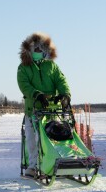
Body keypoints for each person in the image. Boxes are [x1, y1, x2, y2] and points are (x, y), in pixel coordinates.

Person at [16, 32, 71, 178]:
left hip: (52, 109)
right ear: (30, 50)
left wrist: (65, 94)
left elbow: (61, 80)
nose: (39, 53)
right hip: (33, 109)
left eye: (41, 50)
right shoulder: (23, 67)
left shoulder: (51, 66)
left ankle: (56, 162)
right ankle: (33, 166)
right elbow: (24, 85)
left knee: (55, 137)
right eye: (36, 50)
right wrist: (37, 94)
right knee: (33, 140)